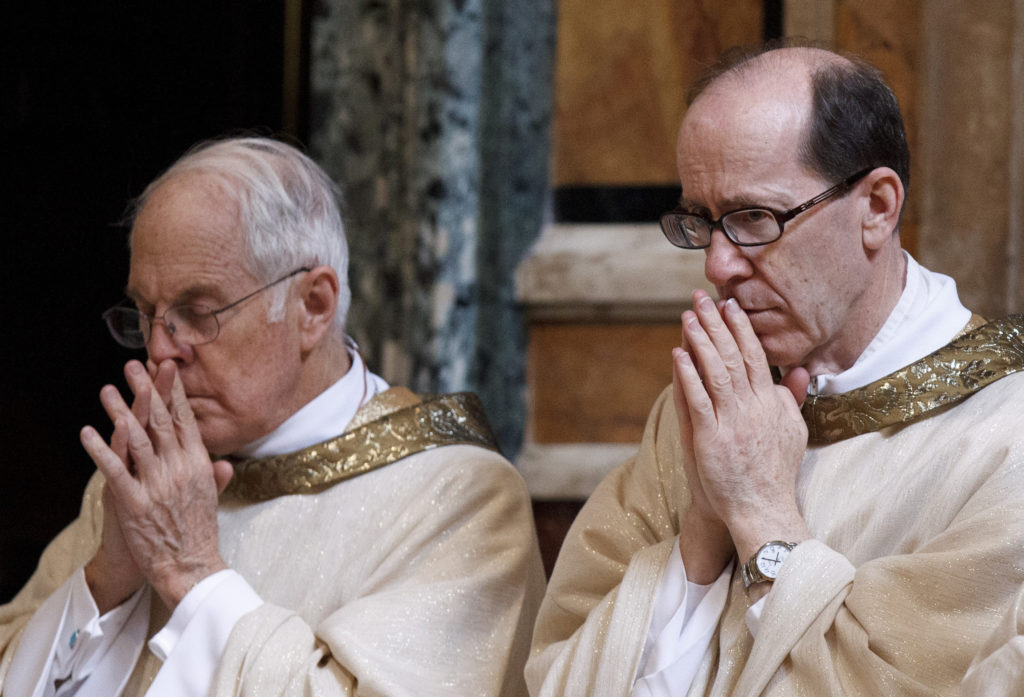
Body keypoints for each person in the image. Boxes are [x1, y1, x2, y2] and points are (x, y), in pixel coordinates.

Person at [526, 44, 1024, 696]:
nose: (718, 266)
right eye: (702, 223)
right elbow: (565, 678)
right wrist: (703, 527)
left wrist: (760, 514)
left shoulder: (1005, 441)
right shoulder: (706, 410)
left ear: (876, 206)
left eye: (754, 217)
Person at [0, 136, 545, 696]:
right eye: (145, 314)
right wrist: (103, 585)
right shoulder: (149, 478)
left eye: (196, 313)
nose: (160, 351)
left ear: (313, 306)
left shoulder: (460, 498)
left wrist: (191, 574)